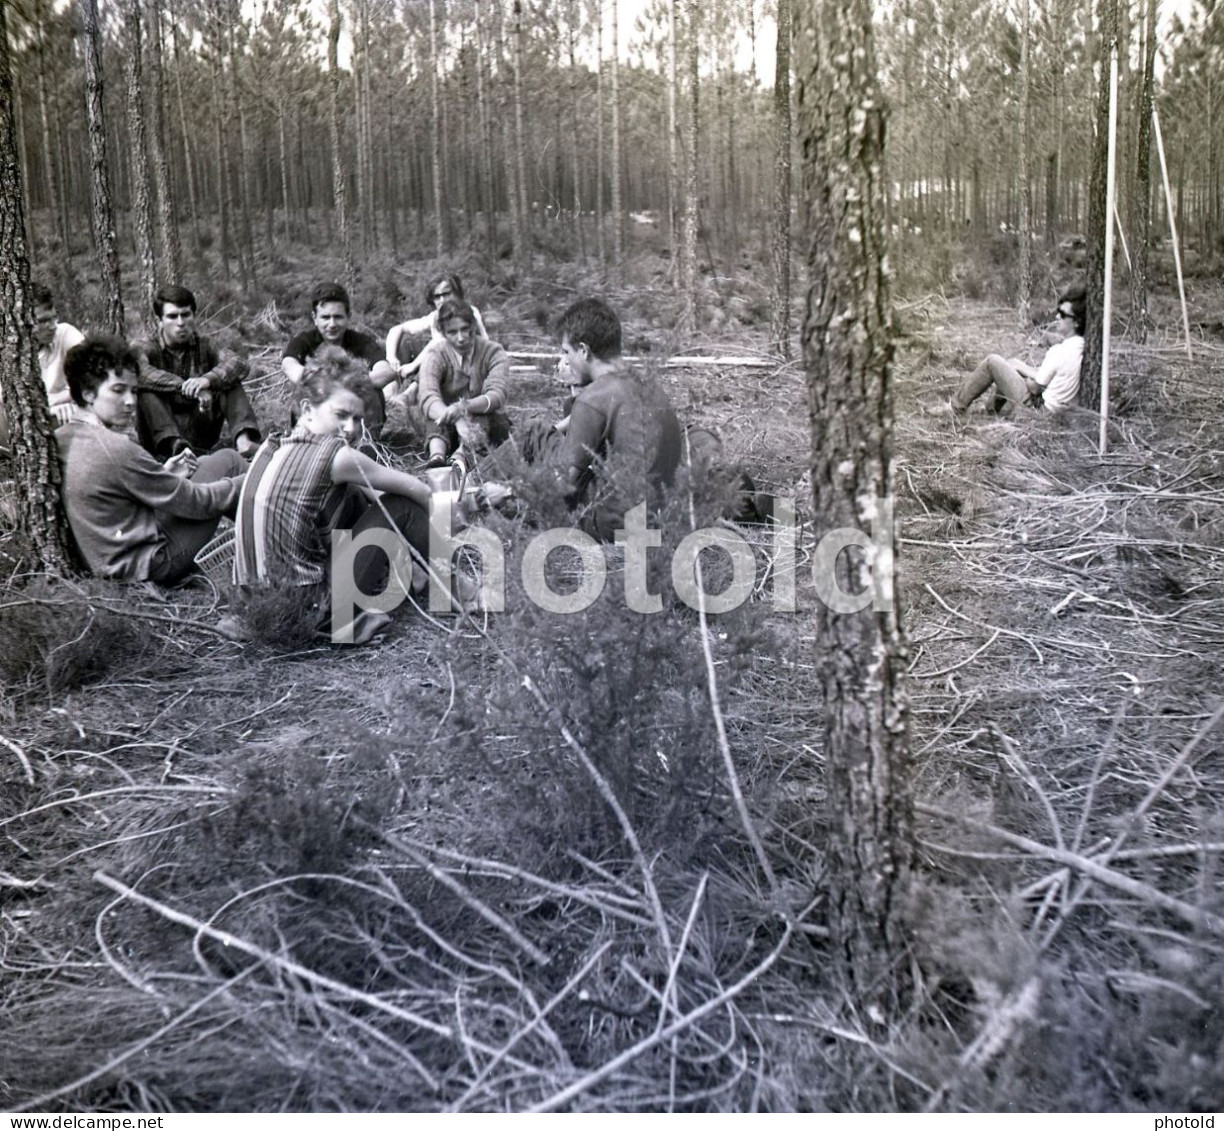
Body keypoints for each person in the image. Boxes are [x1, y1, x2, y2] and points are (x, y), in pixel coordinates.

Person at [234, 346, 436, 642]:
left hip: (258, 607)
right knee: (402, 505)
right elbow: (418, 489)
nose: (350, 428)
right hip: (313, 611)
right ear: (306, 410)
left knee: (353, 494)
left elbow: (366, 489)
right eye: (341, 414)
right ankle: (453, 581)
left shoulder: (272, 447)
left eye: (357, 419)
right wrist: (451, 517)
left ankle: (409, 569)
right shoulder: (336, 457)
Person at [56, 335, 246, 583]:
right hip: (152, 564)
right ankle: (272, 551)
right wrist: (250, 478)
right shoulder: (115, 449)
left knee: (221, 461)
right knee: (234, 466)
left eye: (133, 391)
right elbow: (199, 502)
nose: (130, 401)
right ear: (88, 393)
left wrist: (161, 474)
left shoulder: (60, 438)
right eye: (118, 390)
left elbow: (112, 494)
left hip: (112, 558)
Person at [515, 297, 682, 542]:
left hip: (610, 525)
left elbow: (561, 486)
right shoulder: (650, 386)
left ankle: (465, 493)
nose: (567, 360)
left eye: (566, 352)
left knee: (534, 432)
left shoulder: (593, 398)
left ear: (583, 350)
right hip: (657, 519)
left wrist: (512, 491)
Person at [133, 285, 261, 459]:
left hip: (200, 428)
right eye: (172, 316)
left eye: (186, 315)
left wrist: (206, 380)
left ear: (193, 316)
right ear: (159, 321)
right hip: (160, 437)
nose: (180, 323)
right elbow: (137, 370)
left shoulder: (205, 344)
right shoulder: (146, 346)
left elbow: (238, 363)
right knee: (146, 388)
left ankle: (244, 441)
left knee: (229, 379)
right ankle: (174, 446)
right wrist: (186, 387)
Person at [951, 284, 1087, 417]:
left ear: (1077, 322)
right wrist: (1023, 368)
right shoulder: (1083, 347)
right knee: (1014, 366)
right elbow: (1054, 377)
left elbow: (1035, 388)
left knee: (992, 362)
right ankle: (991, 411)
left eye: (1063, 314)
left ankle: (956, 407)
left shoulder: (1059, 351)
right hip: (1060, 414)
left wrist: (1024, 374)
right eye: (1058, 311)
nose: (1057, 317)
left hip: (1038, 413)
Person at [283, 282, 396, 439]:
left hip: (354, 420)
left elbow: (386, 372)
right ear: (315, 318)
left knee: (373, 392)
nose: (332, 324)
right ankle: (305, 440)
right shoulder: (303, 341)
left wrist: (349, 383)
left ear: (348, 317)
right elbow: (290, 366)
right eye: (325, 317)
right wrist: (325, 383)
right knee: (304, 383)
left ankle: (366, 447)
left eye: (338, 317)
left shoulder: (362, 342)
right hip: (318, 419)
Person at [416, 297, 511, 468]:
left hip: (483, 420)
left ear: (474, 326)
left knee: (487, 418)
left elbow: (496, 394)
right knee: (435, 419)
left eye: (465, 329)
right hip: (447, 424)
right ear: (443, 333)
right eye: (452, 332)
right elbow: (427, 396)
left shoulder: (493, 351)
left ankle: (461, 458)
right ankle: (436, 457)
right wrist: (456, 417)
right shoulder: (435, 355)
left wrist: (463, 407)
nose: (460, 338)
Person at [385, 273, 489, 392]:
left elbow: (441, 341)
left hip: (470, 367)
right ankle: (393, 385)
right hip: (445, 363)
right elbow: (398, 329)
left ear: (457, 294)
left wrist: (413, 365)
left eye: (446, 294)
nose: (442, 300)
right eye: (437, 296)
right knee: (405, 340)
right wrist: (392, 358)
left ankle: (409, 393)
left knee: (441, 353)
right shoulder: (436, 315)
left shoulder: (469, 312)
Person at [33, 283, 85, 426]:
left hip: (67, 417)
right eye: (42, 321)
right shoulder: (7, 351)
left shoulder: (64, 333)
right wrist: (46, 409)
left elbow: (95, 378)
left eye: (54, 318)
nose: (52, 326)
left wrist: (58, 400)